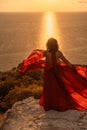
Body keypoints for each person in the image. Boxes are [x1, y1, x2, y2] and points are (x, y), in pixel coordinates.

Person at [18, 38, 87, 111]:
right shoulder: (59, 53)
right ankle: (59, 103)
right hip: (57, 72)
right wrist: (74, 69)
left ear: (48, 45)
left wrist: (28, 64)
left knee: (49, 88)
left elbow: (36, 57)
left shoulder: (46, 53)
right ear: (56, 45)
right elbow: (66, 62)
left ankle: (50, 105)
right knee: (58, 87)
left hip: (48, 73)